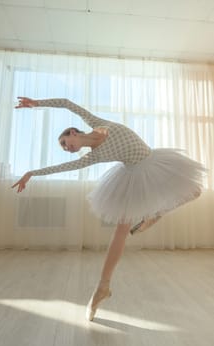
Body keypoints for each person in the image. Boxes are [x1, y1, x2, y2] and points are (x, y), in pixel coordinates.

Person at [12, 97, 206, 321]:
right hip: (133, 177)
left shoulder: (96, 122)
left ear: (73, 132)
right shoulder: (92, 156)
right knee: (121, 230)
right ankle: (102, 287)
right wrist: (32, 173)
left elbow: (66, 103)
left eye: (65, 143)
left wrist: (37, 103)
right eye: (64, 148)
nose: (66, 148)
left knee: (195, 191)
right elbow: (63, 166)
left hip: (155, 162)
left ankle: (155, 215)